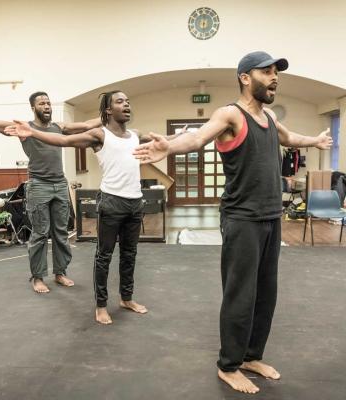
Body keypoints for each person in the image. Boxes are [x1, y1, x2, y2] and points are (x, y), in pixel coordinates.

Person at [133, 51, 333, 394]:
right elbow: (197, 137)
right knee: (241, 294)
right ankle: (229, 365)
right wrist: (170, 146)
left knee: (266, 295)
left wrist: (314, 140)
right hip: (242, 219)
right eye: (266, 72)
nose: (274, 78)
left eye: (276, 73)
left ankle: (251, 356)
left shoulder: (268, 116)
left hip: (272, 216)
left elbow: (288, 138)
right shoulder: (230, 114)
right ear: (245, 77)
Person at [5, 90, 182, 325]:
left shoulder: (135, 135)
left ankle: (126, 298)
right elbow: (64, 140)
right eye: (120, 101)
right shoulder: (100, 134)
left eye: (128, 101)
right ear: (108, 110)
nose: (126, 104)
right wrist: (33, 132)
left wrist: (181, 135)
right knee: (104, 256)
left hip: (134, 201)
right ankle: (101, 305)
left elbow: (161, 140)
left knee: (130, 254)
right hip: (111, 202)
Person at [0, 86, 101, 293]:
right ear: (33, 107)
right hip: (39, 186)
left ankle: (60, 272)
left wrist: (107, 112)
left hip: (60, 185)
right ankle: (38, 277)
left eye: (48, 103)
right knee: (39, 233)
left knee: (61, 232)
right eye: (41, 103)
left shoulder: (58, 127)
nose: (46, 106)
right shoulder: (23, 128)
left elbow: (87, 124)